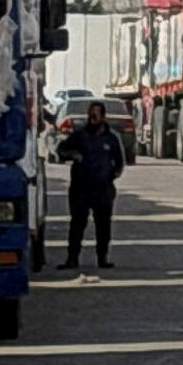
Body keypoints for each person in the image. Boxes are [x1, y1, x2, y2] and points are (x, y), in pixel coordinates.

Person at [61, 98, 126, 272]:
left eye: (96, 115)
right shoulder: (79, 136)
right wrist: (72, 154)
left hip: (103, 189)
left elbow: (119, 163)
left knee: (103, 226)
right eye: (91, 115)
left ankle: (102, 258)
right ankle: (72, 258)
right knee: (77, 225)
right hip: (80, 189)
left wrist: (111, 176)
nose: (92, 118)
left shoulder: (111, 139)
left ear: (103, 117)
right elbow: (61, 150)